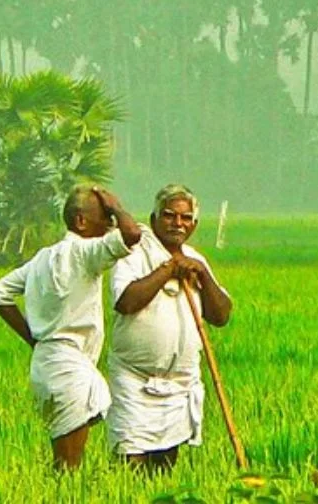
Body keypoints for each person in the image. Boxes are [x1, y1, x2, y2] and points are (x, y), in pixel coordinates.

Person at [0, 185, 141, 470]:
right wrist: (116, 205)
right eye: (104, 217)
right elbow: (132, 235)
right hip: (70, 369)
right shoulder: (84, 252)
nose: (109, 225)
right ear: (81, 221)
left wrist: (34, 339)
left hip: (46, 362)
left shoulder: (43, 258)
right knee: (68, 468)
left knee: (64, 460)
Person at [107, 183, 233, 471]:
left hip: (179, 383)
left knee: (165, 466)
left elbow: (221, 315)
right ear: (154, 219)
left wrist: (201, 274)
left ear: (194, 224)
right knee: (130, 462)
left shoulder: (196, 259)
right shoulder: (134, 254)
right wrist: (168, 270)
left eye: (186, 218)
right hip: (134, 380)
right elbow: (126, 302)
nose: (178, 223)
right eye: (169, 216)